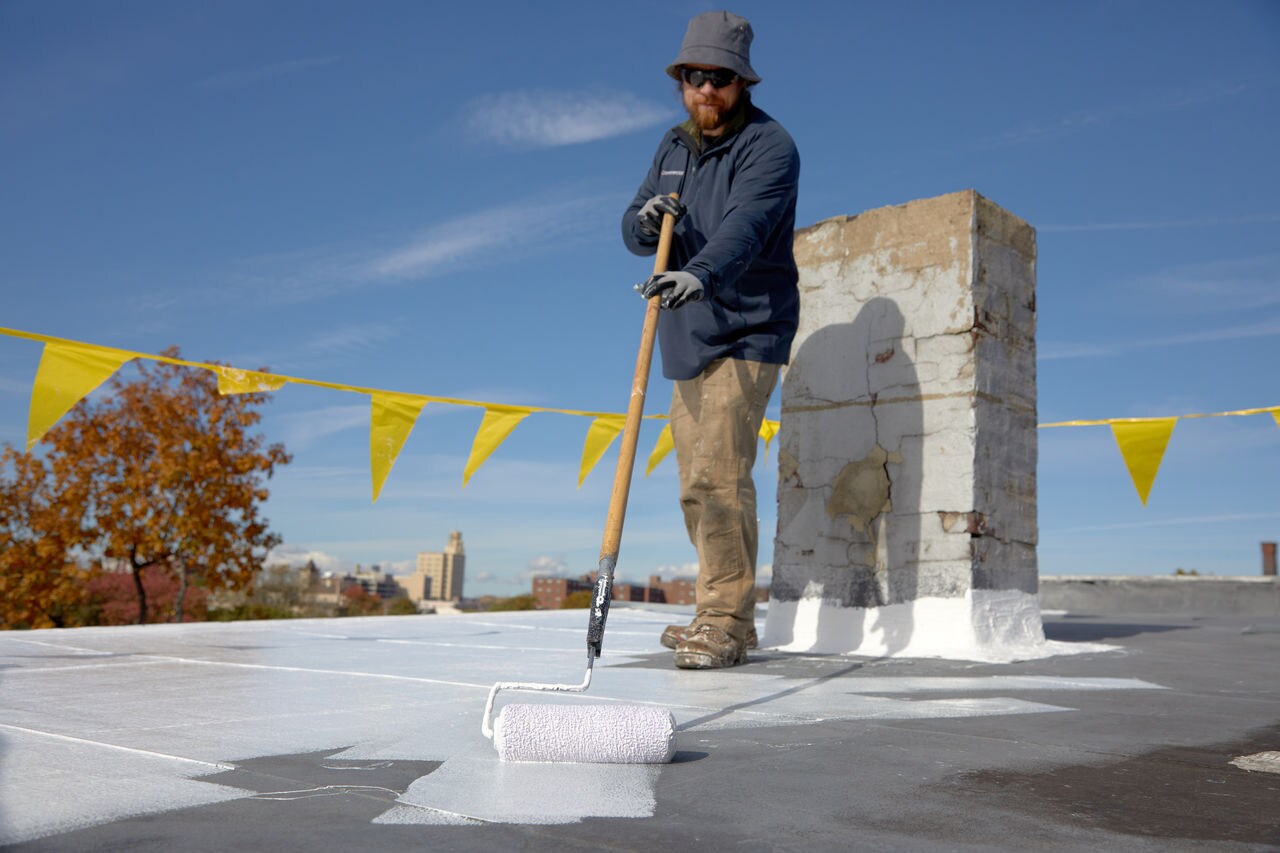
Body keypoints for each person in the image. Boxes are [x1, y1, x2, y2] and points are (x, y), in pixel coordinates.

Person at [622, 10, 800, 669]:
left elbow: (746, 227)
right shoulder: (672, 147)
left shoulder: (770, 146)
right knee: (697, 485)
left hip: (746, 327)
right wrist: (643, 224)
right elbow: (634, 223)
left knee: (719, 477)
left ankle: (724, 619)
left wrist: (700, 271)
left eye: (719, 78)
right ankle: (721, 613)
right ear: (681, 81)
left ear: (741, 82)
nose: (706, 90)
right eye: (693, 77)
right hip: (685, 335)